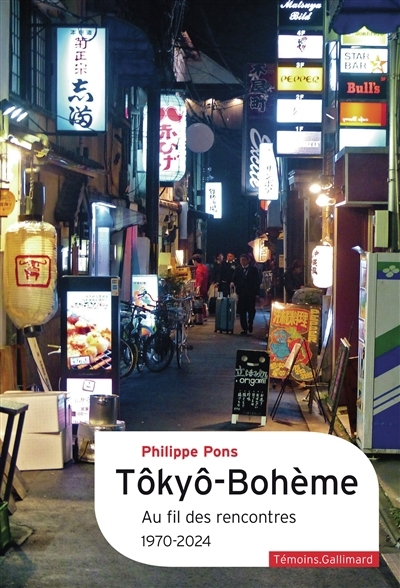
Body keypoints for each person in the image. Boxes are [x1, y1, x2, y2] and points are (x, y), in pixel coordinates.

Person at [231, 253, 260, 335]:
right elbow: (234, 279)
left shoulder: (253, 270)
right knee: (242, 311)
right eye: (241, 260)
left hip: (251, 293)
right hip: (241, 293)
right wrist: (232, 283)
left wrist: (256, 293)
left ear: (248, 261)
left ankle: (250, 323)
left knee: (251, 310)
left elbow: (257, 281)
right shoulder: (238, 269)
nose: (243, 262)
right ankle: (244, 328)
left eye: (244, 260)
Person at [192, 253, 209, 319]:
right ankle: (204, 316)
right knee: (203, 302)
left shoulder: (198, 269)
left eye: (193, 261)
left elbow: (199, 280)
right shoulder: (204, 267)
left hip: (201, 288)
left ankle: (201, 317)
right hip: (205, 287)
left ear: (195, 261)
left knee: (199, 303)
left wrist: (197, 289)